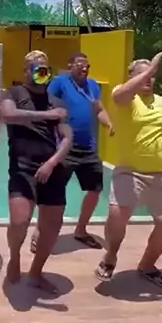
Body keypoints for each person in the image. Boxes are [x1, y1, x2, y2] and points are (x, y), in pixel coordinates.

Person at [95, 52, 162, 290]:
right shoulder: (124, 97)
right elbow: (121, 94)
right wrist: (151, 66)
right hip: (131, 172)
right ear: (131, 77)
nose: (149, 78)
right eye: (143, 74)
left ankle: (147, 265)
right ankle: (110, 256)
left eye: (152, 75)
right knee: (116, 215)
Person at [0, 50, 72, 293]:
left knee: (52, 227)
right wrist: (45, 115)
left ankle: (36, 273)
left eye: (45, 69)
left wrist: (52, 163)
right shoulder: (14, 93)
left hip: (52, 169)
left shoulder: (56, 102)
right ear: (26, 71)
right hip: (23, 168)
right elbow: (7, 115)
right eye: (37, 68)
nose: (42, 72)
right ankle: (15, 256)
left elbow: (66, 137)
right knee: (19, 222)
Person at [36, 51, 114, 249]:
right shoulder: (60, 83)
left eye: (87, 65)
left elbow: (98, 108)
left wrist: (108, 123)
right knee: (52, 192)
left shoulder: (93, 85)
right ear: (70, 65)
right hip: (64, 147)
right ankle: (40, 232)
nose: (84, 68)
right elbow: (46, 104)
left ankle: (81, 229)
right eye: (80, 64)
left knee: (95, 190)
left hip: (88, 148)